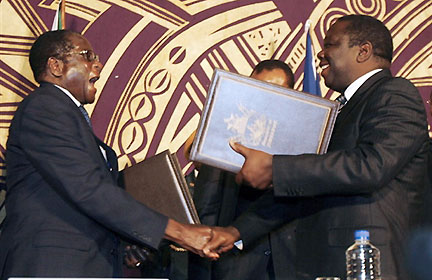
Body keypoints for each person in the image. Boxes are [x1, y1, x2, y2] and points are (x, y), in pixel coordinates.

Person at [204, 15, 430, 280]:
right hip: (325, 264)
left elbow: (371, 165)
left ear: (363, 51)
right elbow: (309, 186)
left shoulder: (395, 92)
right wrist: (237, 232)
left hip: (369, 265)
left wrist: (275, 168)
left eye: (331, 44)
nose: (321, 54)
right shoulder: (336, 111)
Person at [0, 30, 218, 279]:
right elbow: (87, 188)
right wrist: (180, 232)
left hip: (85, 264)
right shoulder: (44, 107)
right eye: (87, 56)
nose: (98, 64)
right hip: (51, 265)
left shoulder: (69, 115)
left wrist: (125, 241)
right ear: (56, 66)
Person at [189, 60, 297, 280]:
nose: (268, 97)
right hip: (238, 263)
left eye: (278, 91)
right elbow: (207, 204)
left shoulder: (303, 138)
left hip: (290, 262)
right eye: (260, 88)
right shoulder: (229, 135)